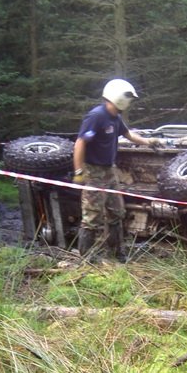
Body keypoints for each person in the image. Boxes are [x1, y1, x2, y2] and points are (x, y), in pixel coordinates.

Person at [73, 79, 161, 261]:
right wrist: (79, 172)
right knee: (92, 216)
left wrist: (148, 141)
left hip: (109, 171)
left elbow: (128, 135)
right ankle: (86, 258)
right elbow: (80, 143)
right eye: (128, 98)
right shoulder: (96, 116)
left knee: (117, 212)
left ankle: (116, 253)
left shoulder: (115, 118)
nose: (130, 102)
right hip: (93, 171)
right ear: (119, 97)